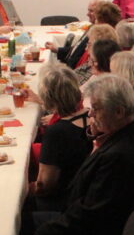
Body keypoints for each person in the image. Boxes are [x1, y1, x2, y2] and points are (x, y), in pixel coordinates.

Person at [26, 75, 134, 235]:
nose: (90, 114)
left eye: (96, 109)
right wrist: (96, 136)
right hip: (94, 222)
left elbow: (88, 217)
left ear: (118, 112)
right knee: (22, 221)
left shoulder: (118, 157)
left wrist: (42, 231)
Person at [27, 64, 93, 212]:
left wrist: (24, 189)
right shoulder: (91, 117)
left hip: (63, 202)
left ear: (48, 99)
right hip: (83, 194)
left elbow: (44, 186)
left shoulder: (57, 132)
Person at [46, 0, 105, 68]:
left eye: (91, 11)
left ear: (101, 13)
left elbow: (82, 58)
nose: (87, 14)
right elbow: (77, 50)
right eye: (88, 10)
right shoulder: (91, 27)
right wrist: (57, 49)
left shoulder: (99, 34)